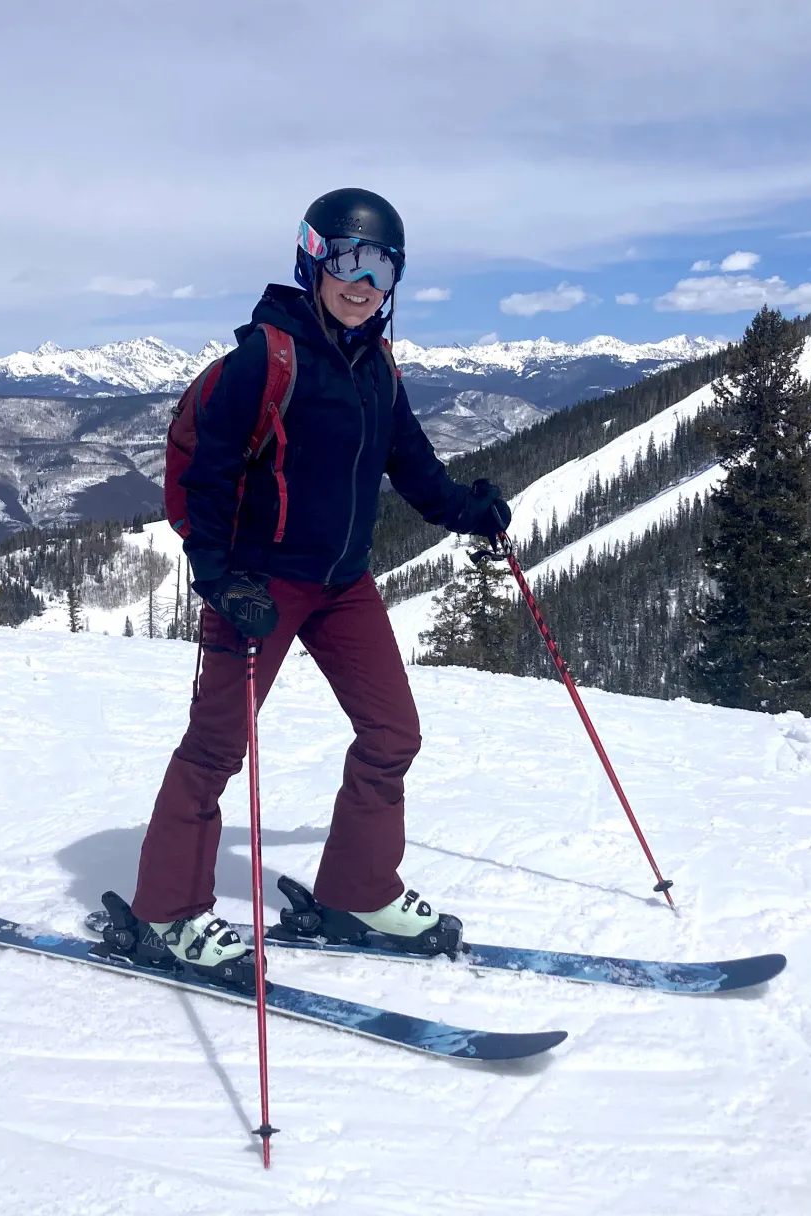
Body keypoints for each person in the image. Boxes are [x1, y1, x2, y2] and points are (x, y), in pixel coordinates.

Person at [104, 189, 510, 989]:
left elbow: (414, 469)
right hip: (259, 586)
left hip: (342, 586)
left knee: (393, 734)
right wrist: (221, 579)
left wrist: (471, 512)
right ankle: (165, 917)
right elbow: (210, 479)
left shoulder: (375, 368)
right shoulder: (264, 359)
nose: (364, 282)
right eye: (350, 261)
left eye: (383, 267)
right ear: (313, 259)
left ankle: (356, 895)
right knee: (217, 749)